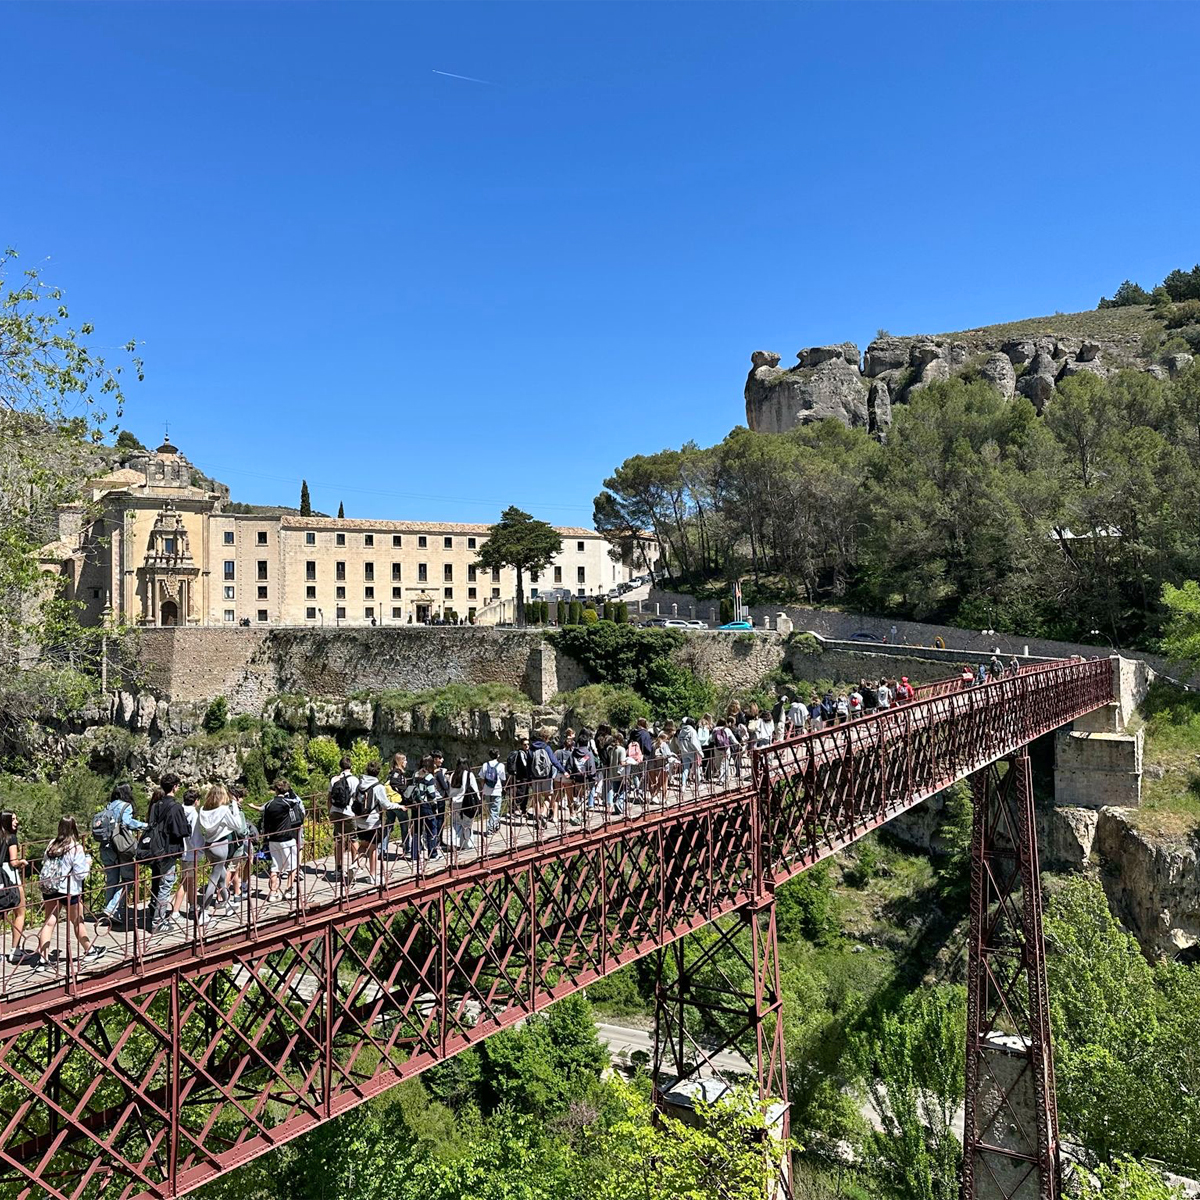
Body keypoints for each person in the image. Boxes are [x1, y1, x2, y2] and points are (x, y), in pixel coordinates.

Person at [34, 817, 104, 970]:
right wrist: (88, 863)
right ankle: (90, 950)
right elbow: (81, 874)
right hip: (69, 890)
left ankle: (43, 959)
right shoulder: (75, 847)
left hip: (50, 889)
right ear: (74, 829)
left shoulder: (52, 844)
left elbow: (44, 862)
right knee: (78, 921)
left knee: (49, 922)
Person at [94, 782, 146, 926]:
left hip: (106, 847)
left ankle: (110, 913)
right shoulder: (126, 806)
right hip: (121, 848)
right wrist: (145, 826)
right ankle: (111, 909)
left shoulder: (109, 806)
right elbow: (127, 823)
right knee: (129, 879)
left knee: (111, 880)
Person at [196, 784, 246, 925]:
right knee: (214, 879)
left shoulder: (203, 810)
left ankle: (228, 904)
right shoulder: (224, 810)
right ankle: (204, 912)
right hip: (221, 846)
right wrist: (235, 806)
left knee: (222, 877)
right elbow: (236, 825)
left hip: (208, 846)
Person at [148, 774, 191, 933]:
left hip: (154, 850)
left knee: (157, 883)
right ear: (174, 787)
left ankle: (153, 914)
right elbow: (180, 831)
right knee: (166, 885)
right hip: (168, 850)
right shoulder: (175, 806)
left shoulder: (155, 805)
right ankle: (157, 922)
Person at [260, 778, 304, 902]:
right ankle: (289, 890)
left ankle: (273, 892)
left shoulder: (269, 805)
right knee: (293, 865)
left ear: (275, 789)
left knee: (275, 866)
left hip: (273, 839)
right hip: (287, 839)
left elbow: (265, 822)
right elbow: (299, 819)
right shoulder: (289, 803)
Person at [353, 761, 393, 883]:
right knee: (374, 849)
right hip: (373, 822)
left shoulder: (359, 785)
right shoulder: (378, 787)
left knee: (364, 845)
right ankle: (373, 876)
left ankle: (354, 865)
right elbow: (385, 805)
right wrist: (398, 806)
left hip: (360, 821)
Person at [0, 812, 28, 964]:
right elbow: (13, 862)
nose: (16, 822)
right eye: (13, 819)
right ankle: (15, 951)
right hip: (9, 877)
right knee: (20, 911)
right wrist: (22, 861)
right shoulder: (11, 838)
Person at [328, 756, 359, 884]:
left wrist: (330, 812)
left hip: (335, 812)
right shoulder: (355, 780)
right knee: (353, 837)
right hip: (349, 812)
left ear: (340, 766)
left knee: (339, 838)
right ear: (350, 766)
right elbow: (357, 798)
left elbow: (329, 798)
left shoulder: (334, 779)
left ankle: (338, 868)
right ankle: (354, 864)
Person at [528, 728, 566, 830]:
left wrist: (528, 778)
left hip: (534, 777)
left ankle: (538, 820)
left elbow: (528, 765)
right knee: (549, 796)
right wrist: (563, 771)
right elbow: (554, 761)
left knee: (536, 799)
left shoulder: (531, 748)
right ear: (545, 738)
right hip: (546, 776)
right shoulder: (547, 748)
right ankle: (544, 813)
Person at [408, 758, 440, 862]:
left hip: (416, 805)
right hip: (426, 805)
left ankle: (414, 855)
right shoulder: (429, 777)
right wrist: (435, 807)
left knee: (417, 830)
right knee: (431, 828)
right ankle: (432, 853)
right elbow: (431, 794)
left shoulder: (415, 774)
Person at [449, 758, 481, 850]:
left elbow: (450, 790)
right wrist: (478, 800)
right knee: (467, 824)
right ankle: (466, 844)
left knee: (455, 824)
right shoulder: (469, 775)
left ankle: (453, 842)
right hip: (466, 803)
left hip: (454, 803)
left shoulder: (452, 775)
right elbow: (474, 789)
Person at [384, 752, 409, 858]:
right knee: (404, 825)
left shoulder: (391, 772)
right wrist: (405, 789)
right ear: (401, 761)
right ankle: (407, 849)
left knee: (389, 825)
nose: (406, 762)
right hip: (398, 803)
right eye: (405, 760)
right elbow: (394, 783)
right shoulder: (397, 772)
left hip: (390, 802)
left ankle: (382, 849)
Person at [479, 750, 506, 836]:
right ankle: (490, 829)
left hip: (487, 791)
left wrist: (483, 789)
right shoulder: (501, 765)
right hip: (497, 790)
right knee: (495, 810)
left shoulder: (485, 765)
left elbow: (481, 778)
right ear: (498, 755)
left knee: (491, 810)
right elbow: (503, 778)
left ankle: (495, 826)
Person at [506, 737, 531, 822]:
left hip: (525, 777)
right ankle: (511, 811)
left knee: (526, 793)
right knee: (520, 794)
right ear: (521, 745)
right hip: (522, 777)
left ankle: (523, 811)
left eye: (528, 744)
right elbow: (524, 765)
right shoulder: (521, 753)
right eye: (525, 744)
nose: (527, 746)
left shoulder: (526, 752)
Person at [676, 717, 702, 792]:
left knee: (685, 768)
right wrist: (700, 752)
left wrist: (681, 749)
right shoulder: (692, 731)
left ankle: (683, 785)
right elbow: (695, 743)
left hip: (684, 752)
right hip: (692, 752)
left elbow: (678, 741)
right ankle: (698, 785)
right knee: (696, 768)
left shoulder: (681, 731)